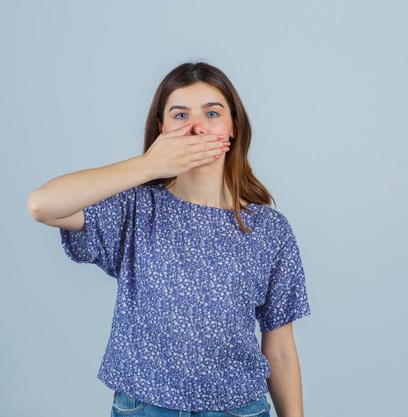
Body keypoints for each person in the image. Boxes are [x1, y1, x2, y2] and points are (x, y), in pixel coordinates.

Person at [26, 61, 311, 417]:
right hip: (145, 407)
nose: (196, 127)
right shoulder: (135, 207)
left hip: (239, 409)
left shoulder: (270, 229)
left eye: (212, 113)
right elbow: (42, 205)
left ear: (233, 126)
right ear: (161, 129)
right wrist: (149, 164)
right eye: (179, 115)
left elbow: (280, 348)